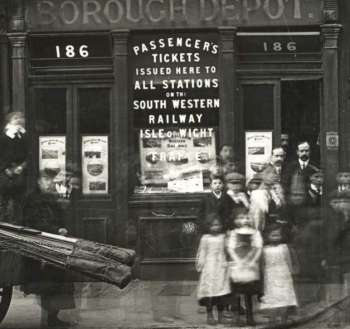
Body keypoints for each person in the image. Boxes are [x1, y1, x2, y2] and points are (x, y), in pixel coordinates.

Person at [21, 170, 75, 328]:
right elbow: (33, 223)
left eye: (50, 180)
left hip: (53, 242)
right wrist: (56, 230)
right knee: (49, 281)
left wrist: (62, 227)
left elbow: (60, 217)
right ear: (38, 182)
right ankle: (49, 318)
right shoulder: (33, 199)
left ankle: (52, 317)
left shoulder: (52, 198)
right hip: (38, 245)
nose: (48, 183)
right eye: (45, 180)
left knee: (58, 279)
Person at [226, 208, 263, 326]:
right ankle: (236, 318)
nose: (245, 220)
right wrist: (238, 261)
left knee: (248, 294)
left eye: (247, 217)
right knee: (236, 294)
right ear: (235, 220)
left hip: (250, 266)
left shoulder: (255, 233)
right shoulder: (233, 233)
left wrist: (253, 260)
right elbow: (230, 248)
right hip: (238, 266)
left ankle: (249, 317)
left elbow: (258, 247)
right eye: (241, 218)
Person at [196, 213, 231, 325]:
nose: (216, 227)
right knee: (210, 292)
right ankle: (210, 315)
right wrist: (201, 265)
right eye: (213, 225)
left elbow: (227, 249)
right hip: (210, 267)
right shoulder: (205, 238)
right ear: (208, 226)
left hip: (221, 266)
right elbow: (202, 252)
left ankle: (221, 315)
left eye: (218, 225)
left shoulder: (223, 237)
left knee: (221, 291)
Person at [259, 224, 298, 324]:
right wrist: (263, 276)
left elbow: (288, 261)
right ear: (267, 236)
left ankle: (284, 319)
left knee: (284, 295)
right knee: (273, 296)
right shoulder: (264, 249)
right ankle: (272, 319)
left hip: (283, 274)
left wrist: (291, 272)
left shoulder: (284, 247)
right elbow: (263, 264)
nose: (276, 238)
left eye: (278, 235)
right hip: (270, 275)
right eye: (273, 235)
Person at [0, 111, 27, 224]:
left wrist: (22, 166)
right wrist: (5, 169)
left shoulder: (24, 136)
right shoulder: (3, 137)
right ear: (9, 121)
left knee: (19, 203)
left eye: (21, 118)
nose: (19, 120)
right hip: (4, 174)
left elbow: (28, 153)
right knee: (4, 202)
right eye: (16, 118)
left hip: (19, 174)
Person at [283, 141, 319, 206]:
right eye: (301, 151)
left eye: (306, 151)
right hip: (293, 203)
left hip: (311, 204)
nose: (304, 153)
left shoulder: (316, 167)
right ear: (297, 152)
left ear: (310, 151)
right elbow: (286, 185)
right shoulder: (290, 167)